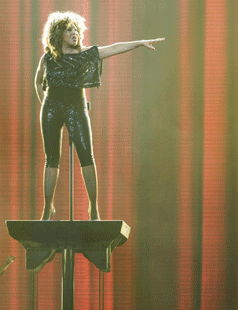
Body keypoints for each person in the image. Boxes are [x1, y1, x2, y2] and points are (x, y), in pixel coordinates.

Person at [34, 11, 164, 220]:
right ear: (58, 33)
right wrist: (44, 104)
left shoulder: (85, 54)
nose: (74, 33)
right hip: (52, 107)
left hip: (76, 106)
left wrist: (139, 43)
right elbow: (38, 81)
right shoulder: (48, 58)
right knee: (51, 159)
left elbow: (113, 48)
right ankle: (47, 208)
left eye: (76, 29)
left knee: (87, 156)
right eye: (69, 30)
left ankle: (93, 208)